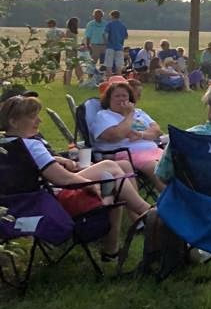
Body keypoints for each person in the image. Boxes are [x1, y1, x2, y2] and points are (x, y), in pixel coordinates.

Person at [0, 95, 153, 261]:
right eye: (32, 117)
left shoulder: (5, 146)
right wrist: (89, 184)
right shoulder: (30, 145)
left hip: (17, 207)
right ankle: (148, 214)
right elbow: (64, 180)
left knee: (114, 176)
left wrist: (57, 160)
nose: (39, 121)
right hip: (50, 202)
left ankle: (114, 249)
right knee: (110, 171)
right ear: (14, 122)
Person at [91, 77, 165, 191]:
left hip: (153, 150)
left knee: (177, 165)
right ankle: (173, 203)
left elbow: (156, 131)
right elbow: (116, 136)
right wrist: (129, 114)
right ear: (109, 99)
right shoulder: (104, 115)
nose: (121, 99)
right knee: (158, 169)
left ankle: (184, 199)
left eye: (124, 96)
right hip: (127, 154)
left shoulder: (139, 112)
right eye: (117, 96)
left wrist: (141, 135)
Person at [63, 17, 84, 85]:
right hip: (71, 52)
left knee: (77, 67)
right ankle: (68, 83)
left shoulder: (71, 31)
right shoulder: (69, 31)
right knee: (71, 68)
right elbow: (69, 43)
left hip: (73, 51)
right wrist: (78, 47)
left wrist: (79, 46)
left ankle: (80, 82)